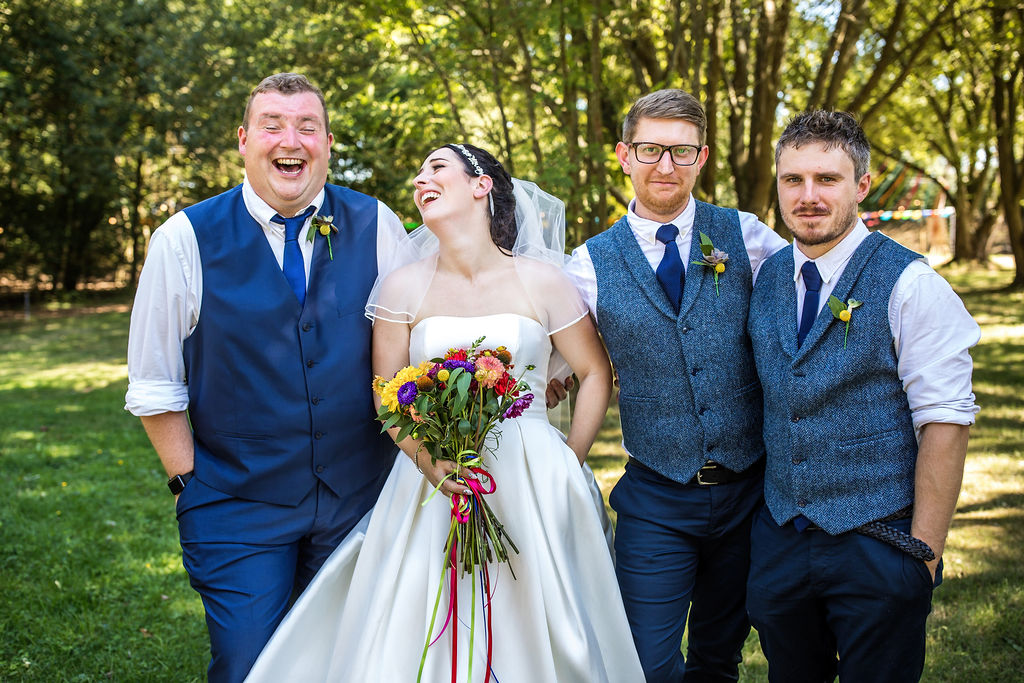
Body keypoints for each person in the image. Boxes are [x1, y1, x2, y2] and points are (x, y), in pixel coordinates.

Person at [243, 143, 645, 682]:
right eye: (418, 171)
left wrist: (568, 461)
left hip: (534, 480)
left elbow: (595, 372)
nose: (419, 179)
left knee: (542, 620)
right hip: (434, 478)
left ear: (481, 186)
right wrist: (431, 464)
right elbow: (386, 393)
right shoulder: (401, 287)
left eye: (436, 168)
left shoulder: (543, 280)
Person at [124, 73, 409, 682]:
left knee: (354, 662)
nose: (291, 139)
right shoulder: (182, 241)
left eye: (307, 126)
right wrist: (189, 487)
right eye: (274, 124)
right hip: (236, 505)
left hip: (361, 499)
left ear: (328, 142)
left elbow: (425, 337)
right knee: (249, 665)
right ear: (244, 139)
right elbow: (153, 384)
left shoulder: (378, 225)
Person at [563, 89, 789, 681]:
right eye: (651, 150)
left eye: (681, 152)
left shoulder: (747, 236)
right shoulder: (585, 265)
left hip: (750, 492)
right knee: (646, 657)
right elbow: (563, 364)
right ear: (623, 155)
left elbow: (805, 308)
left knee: (720, 657)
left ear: (703, 156)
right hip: (657, 496)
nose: (665, 165)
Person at [746, 110, 980, 681]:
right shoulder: (768, 275)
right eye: (792, 180)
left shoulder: (911, 284)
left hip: (880, 541)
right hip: (782, 541)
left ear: (861, 187)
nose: (808, 196)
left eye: (827, 179)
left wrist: (922, 555)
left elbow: (945, 422)